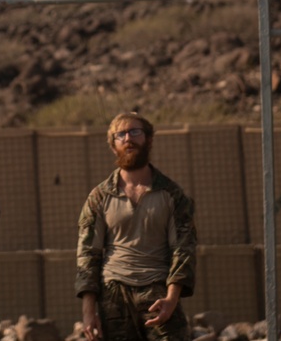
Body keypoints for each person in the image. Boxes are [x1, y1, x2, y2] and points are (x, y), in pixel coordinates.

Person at [75, 112, 197, 341]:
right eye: (120, 134)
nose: (128, 138)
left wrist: (171, 299)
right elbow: (87, 254)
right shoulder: (99, 197)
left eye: (135, 132)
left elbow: (183, 249)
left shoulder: (172, 195)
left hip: (157, 293)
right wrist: (89, 312)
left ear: (149, 140)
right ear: (113, 146)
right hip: (114, 297)